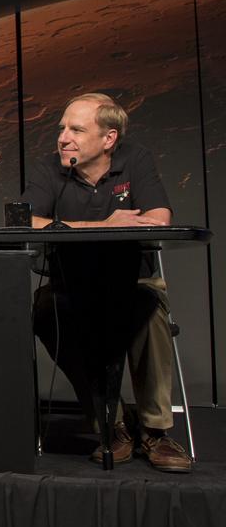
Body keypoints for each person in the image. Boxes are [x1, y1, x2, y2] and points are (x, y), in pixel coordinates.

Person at [22, 92, 189, 472]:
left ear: (109, 138)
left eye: (77, 130)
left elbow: (159, 218)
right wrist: (104, 225)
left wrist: (69, 226)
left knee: (148, 307)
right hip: (72, 286)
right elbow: (25, 220)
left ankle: (154, 431)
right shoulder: (50, 169)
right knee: (45, 310)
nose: (63, 137)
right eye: (62, 128)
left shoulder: (135, 160)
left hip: (133, 280)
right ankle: (111, 424)